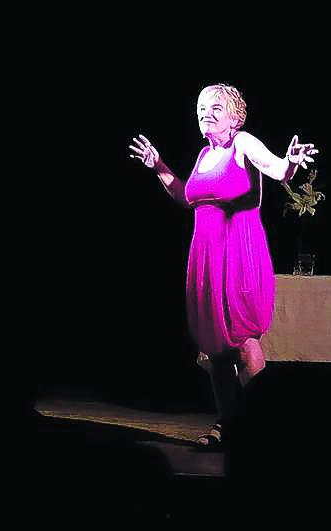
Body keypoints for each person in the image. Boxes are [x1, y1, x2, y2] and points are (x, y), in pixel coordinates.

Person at [129, 83, 317, 450]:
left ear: (235, 118)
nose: (206, 113)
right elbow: (187, 197)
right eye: (201, 107)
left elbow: (279, 170)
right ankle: (229, 425)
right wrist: (159, 166)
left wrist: (291, 161)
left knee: (244, 343)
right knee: (216, 351)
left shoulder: (242, 143)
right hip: (206, 259)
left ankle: (266, 425)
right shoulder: (204, 154)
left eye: (216, 107)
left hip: (239, 254)